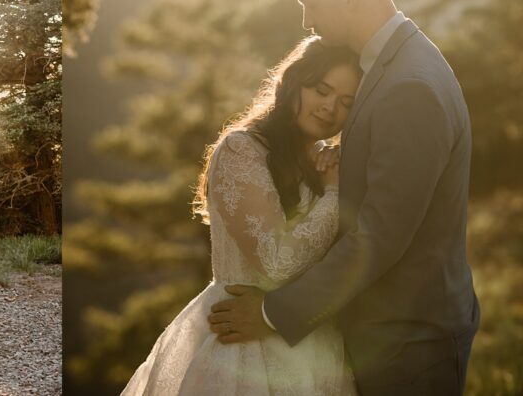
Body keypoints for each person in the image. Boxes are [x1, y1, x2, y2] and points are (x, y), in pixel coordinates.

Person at [208, 0, 479, 395]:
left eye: (311, 4)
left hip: (409, 342)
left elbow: (382, 232)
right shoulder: (393, 66)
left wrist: (274, 312)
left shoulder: (409, 85)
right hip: (385, 337)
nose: (306, 21)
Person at [123, 36, 360, 394]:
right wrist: (334, 195)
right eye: (321, 90)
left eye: (346, 102)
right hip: (242, 344)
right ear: (294, 83)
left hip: (315, 344)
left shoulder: (328, 162)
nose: (330, 107)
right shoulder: (242, 150)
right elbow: (275, 263)